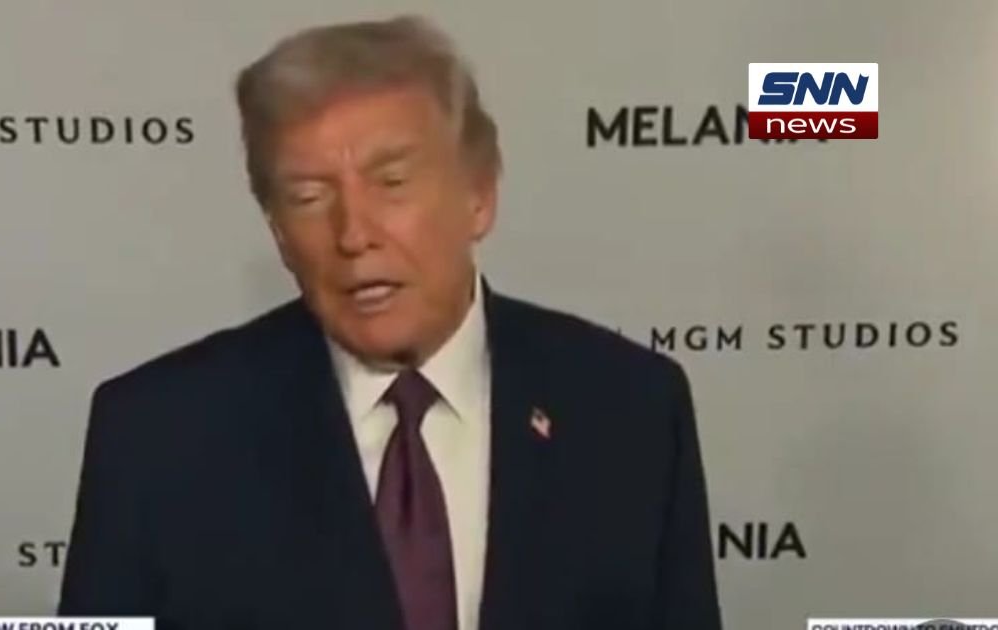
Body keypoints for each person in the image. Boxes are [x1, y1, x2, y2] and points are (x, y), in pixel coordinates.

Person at [58, 14, 721, 630]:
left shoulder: (631, 408)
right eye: (309, 197)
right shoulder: (157, 435)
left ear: (478, 193)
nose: (354, 234)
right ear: (279, 234)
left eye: (392, 182)